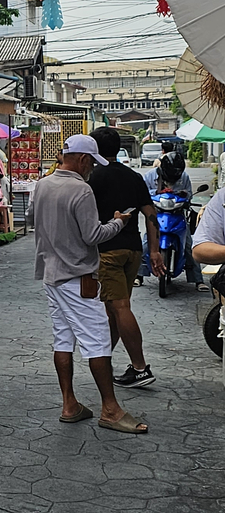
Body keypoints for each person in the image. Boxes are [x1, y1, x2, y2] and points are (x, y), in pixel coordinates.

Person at [30, 133, 147, 435]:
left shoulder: (42, 184)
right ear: (83, 159)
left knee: (62, 339)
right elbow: (93, 236)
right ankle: (110, 409)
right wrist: (119, 222)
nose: (92, 169)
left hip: (51, 274)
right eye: (91, 163)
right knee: (97, 342)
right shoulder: (81, 191)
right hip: (78, 276)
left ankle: (70, 404)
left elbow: (33, 219)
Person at [89, 127, 164, 389]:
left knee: (119, 308)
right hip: (133, 250)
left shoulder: (93, 177)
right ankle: (102, 359)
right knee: (115, 310)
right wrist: (154, 251)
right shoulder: (133, 176)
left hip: (107, 250)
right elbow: (150, 214)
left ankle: (141, 368)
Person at [139, 151, 204, 289]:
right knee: (145, 244)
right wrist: (157, 193)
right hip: (156, 215)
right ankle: (139, 275)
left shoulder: (184, 177)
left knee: (189, 245)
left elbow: (189, 194)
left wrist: (183, 195)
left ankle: (198, 280)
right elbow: (143, 194)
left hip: (177, 215)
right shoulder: (150, 176)